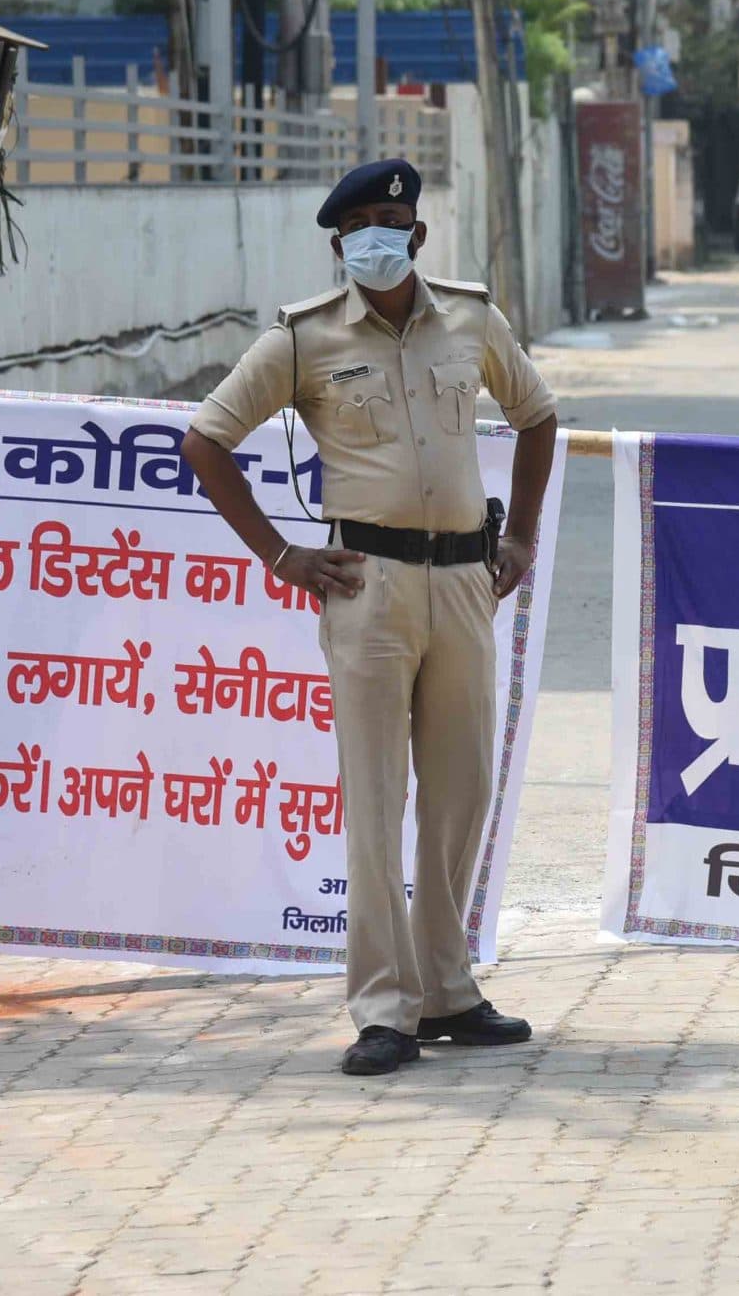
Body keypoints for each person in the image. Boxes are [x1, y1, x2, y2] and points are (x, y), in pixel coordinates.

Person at [180, 158, 559, 1077]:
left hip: (467, 578)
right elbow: (206, 439)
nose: (376, 240)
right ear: (340, 244)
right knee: (377, 800)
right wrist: (284, 555)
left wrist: (524, 539)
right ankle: (384, 1008)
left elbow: (539, 415)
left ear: (418, 235)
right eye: (359, 230)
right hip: (368, 587)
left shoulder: (471, 318)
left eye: (391, 222)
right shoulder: (305, 340)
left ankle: (449, 991)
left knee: (462, 791)